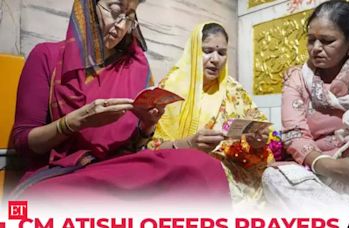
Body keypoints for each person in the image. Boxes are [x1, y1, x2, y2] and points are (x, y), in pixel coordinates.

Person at [11, 0, 230, 207]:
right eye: (115, 10)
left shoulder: (136, 67)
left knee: (203, 166)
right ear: (89, 6)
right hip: (65, 171)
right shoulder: (47, 56)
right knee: (43, 199)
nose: (121, 26)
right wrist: (73, 122)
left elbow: (136, 148)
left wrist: (146, 125)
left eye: (129, 17)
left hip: (120, 167)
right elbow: (23, 143)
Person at [262, 0, 349, 212]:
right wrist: (329, 166)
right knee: (273, 176)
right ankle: (346, 211)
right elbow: (295, 133)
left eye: (327, 41)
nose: (316, 48)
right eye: (311, 40)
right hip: (321, 169)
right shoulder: (298, 78)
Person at [147, 22, 281, 209]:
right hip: (184, 168)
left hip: (237, 173)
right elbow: (150, 146)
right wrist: (189, 144)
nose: (215, 59)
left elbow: (262, 133)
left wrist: (257, 141)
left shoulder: (234, 90)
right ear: (194, 51)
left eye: (221, 53)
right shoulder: (169, 89)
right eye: (207, 50)